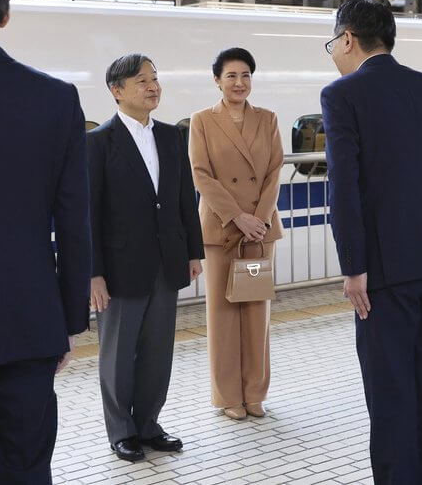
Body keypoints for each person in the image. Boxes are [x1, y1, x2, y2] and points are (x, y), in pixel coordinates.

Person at [320, 0, 422, 484]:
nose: (334, 55)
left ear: (348, 39)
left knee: (391, 395)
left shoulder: (342, 94)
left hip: (386, 271)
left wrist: (353, 268)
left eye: (333, 45)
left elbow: (342, 186)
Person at [0, 0, 91, 483]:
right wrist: (69, 323)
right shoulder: (55, 98)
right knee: (27, 471)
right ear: (5, 15)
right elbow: (76, 220)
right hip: (30, 324)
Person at [87, 54, 204, 461]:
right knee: (117, 352)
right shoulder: (98, 143)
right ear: (116, 91)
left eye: (155, 79)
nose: (153, 87)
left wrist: (193, 251)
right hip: (120, 268)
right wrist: (93, 274)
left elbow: (183, 199)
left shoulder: (172, 137)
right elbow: (90, 214)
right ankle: (121, 431)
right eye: (142, 81)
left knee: (158, 350)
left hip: (166, 261)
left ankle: (149, 424)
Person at [189, 48, 284, 421]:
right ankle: (228, 396)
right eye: (231, 76)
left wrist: (258, 219)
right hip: (222, 230)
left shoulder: (269, 119)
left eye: (246, 75)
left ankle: (255, 392)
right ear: (217, 80)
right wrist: (238, 217)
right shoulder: (201, 121)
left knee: (257, 311)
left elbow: (275, 170)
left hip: (259, 232)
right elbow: (201, 174)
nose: (239, 83)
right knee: (224, 314)